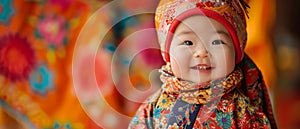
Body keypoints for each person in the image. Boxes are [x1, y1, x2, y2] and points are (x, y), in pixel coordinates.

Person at [128, 0, 277, 128]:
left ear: (237, 50)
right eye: (188, 42)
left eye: (217, 41)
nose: (201, 52)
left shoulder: (243, 113)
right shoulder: (153, 109)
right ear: (166, 51)